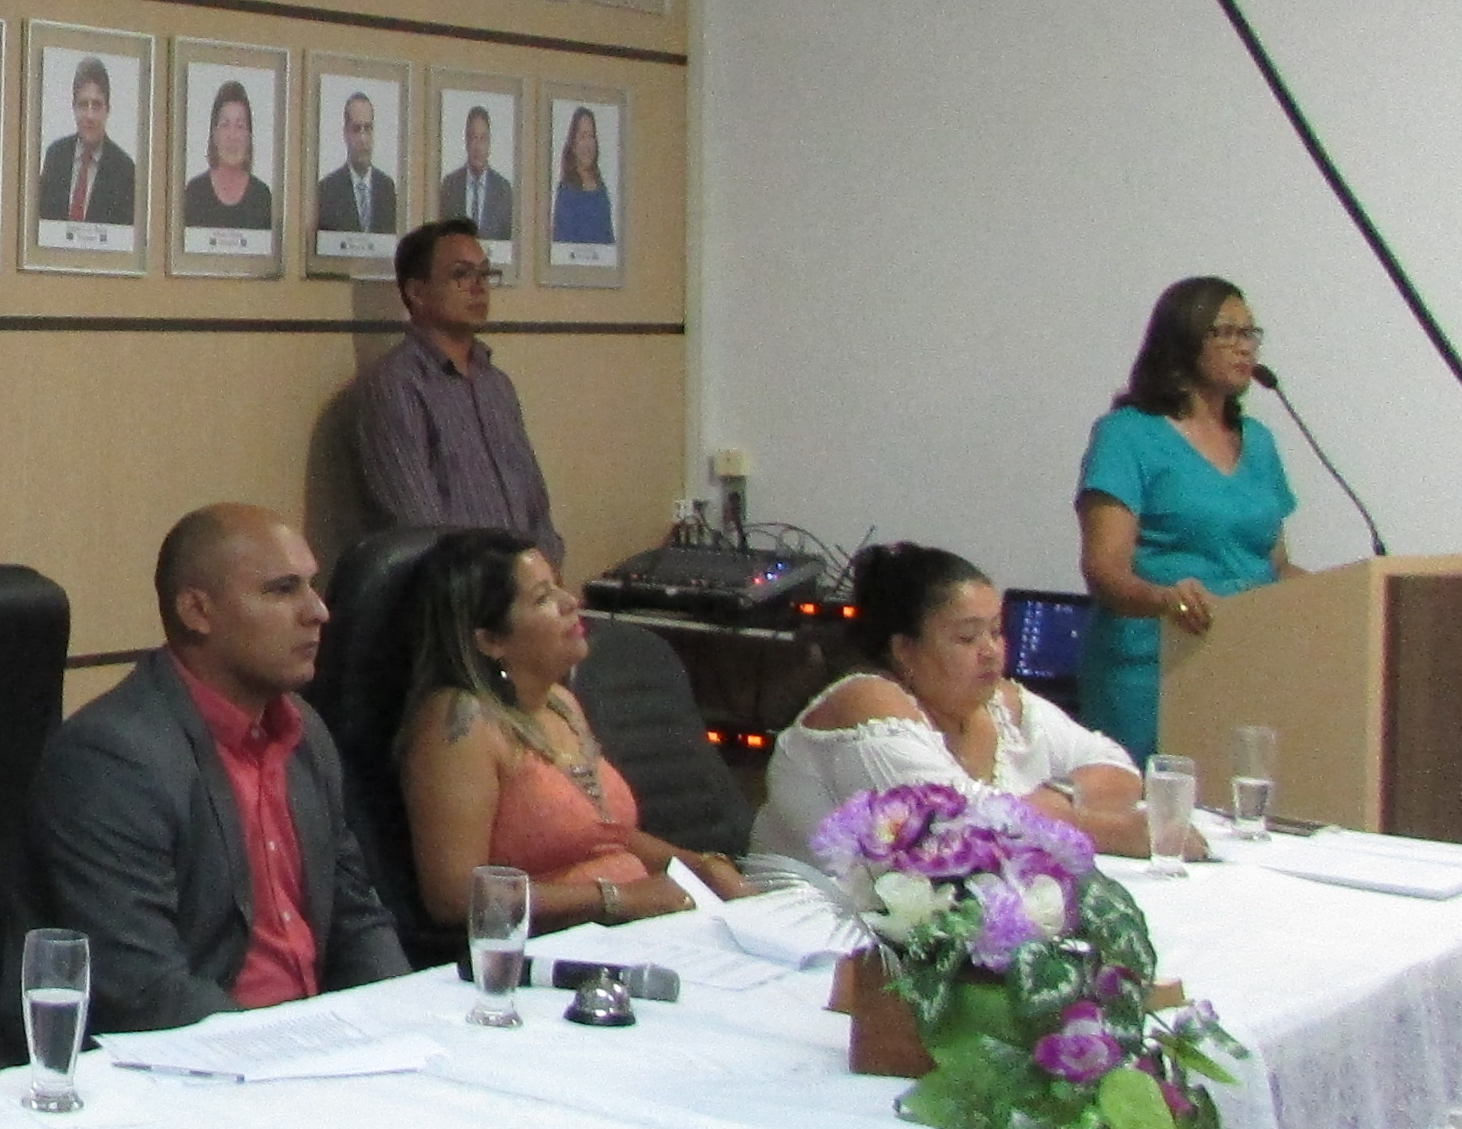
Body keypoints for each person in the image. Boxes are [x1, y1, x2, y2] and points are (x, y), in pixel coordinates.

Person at [30, 504, 410, 1030]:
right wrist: (297, 1050)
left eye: (311, 585)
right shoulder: (113, 757)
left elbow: (357, 918)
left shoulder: (304, 732)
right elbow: (143, 989)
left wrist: (405, 1023)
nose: (318, 610)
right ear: (197, 611)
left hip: (315, 1044)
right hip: (200, 1067)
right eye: (282, 590)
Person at [747, 543, 1186, 885]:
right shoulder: (866, 702)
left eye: (996, 631)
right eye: (966, 638)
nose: (991, 652)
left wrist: (1057, 798)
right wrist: (1102, 831)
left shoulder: (1001, 705)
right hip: (801, 939)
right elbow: (961, 832)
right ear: (904, 651)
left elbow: (1118, 769)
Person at [391, 534, 741, 931]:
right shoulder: (458, 722)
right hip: (550, 957)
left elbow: (610, 838)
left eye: (558, 585)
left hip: (640, 932)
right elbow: (454, 897)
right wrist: (616, 899)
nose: (570, 602)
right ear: (490, 640)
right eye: (542, 598)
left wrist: (701, 868)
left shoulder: (560, 703)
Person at [1073, 276, 1301, 761]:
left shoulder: (1258, 442)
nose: (1244, 348)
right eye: (1227, 333)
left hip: (1244, 665)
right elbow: (1105, 569)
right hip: (1153, 671)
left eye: (1250, 334)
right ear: (1182, 341)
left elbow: (1276, 565)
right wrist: (1164, 598)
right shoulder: (1127, 436)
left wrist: (1342, 595)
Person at [353, 219, 563, 554]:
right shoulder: (397, 384)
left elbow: (535, 505)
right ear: (416, 292)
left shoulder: (496, 385)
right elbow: (416, 525)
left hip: (522, 588)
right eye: (461, 275)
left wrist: (545, 572)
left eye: (484, 274)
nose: (478, 287)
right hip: (454, 591)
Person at [37, 54, 140, 229]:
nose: (90, 116)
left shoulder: (125, 170)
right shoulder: (55, 156)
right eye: (84, 105)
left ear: (108, 109)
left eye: (97, 105)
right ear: (74, 107)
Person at [182, 78, 277, 231]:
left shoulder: (262, 196)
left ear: (249, 136)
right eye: (225, 125)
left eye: (240, 126)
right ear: (214, 134)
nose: (232, 136)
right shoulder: (195, 193)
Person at [311, 88, 400, 241]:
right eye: (356, 129)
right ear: (345, 133)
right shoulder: (327, 190)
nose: (363, 138)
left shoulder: (387, 188)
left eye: (368, 128)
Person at [435, 106, 516, 241]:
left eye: (482, 139)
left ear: (489, 143)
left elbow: (507, 244)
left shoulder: (504, 190)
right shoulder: (450, 185)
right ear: (466, 141)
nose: (477, 147)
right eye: (473, 138)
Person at [549, 107, 616, 249]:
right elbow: (562, 246)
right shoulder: (566, 191)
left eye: (592, 136)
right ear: (573, 144)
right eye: (583, 136)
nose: (588, 144)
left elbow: (609, 242)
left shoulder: (601, 190)